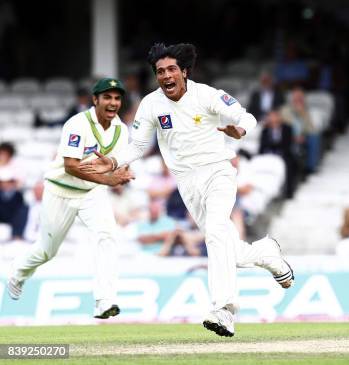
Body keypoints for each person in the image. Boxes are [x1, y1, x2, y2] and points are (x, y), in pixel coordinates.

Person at [80, 43, 294, 337]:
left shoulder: (206, 94)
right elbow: (139, 145)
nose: (166, 76)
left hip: (218, 172)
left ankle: (224, 310)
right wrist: (115, 161)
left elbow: (246, 117)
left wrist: (239, 130)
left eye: (171, 70)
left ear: (184, 71)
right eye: (160, 72)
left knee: (216, 233)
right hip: (187, 183)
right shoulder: (151, 104)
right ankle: (266, 254)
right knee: (229, 249)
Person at [6, 78, 134, 320]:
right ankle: (17, 273)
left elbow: (111, 164)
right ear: (94, 100)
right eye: (107, 97)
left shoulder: (121, 129)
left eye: (117, 98)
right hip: (60, 191)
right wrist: (108, 179)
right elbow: (71, 167)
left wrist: (121, 172)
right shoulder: (77, 124)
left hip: (91, 193)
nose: (113, 102)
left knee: (107, 236)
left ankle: (104, 301)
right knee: (46, 251)